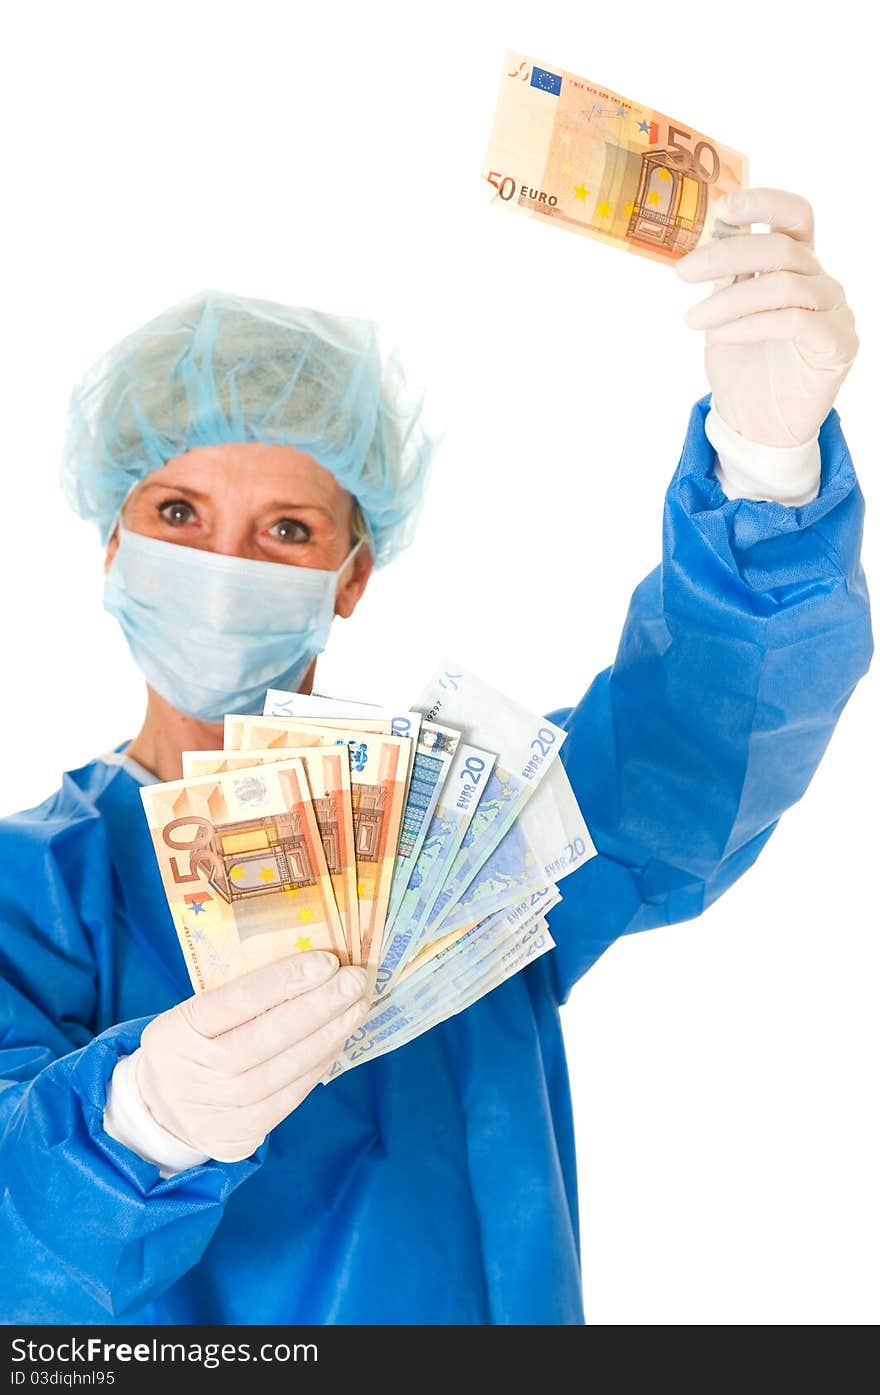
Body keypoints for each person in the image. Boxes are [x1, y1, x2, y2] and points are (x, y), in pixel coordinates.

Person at [0, 188, 871, 1324]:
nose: (225, 563)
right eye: (176, 511)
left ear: (350, 574)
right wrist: (136, 1125)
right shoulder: (35, 896)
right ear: (111, 542)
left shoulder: (459, 840)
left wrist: (764, 469)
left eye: (287, 530)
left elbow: (693, 747)